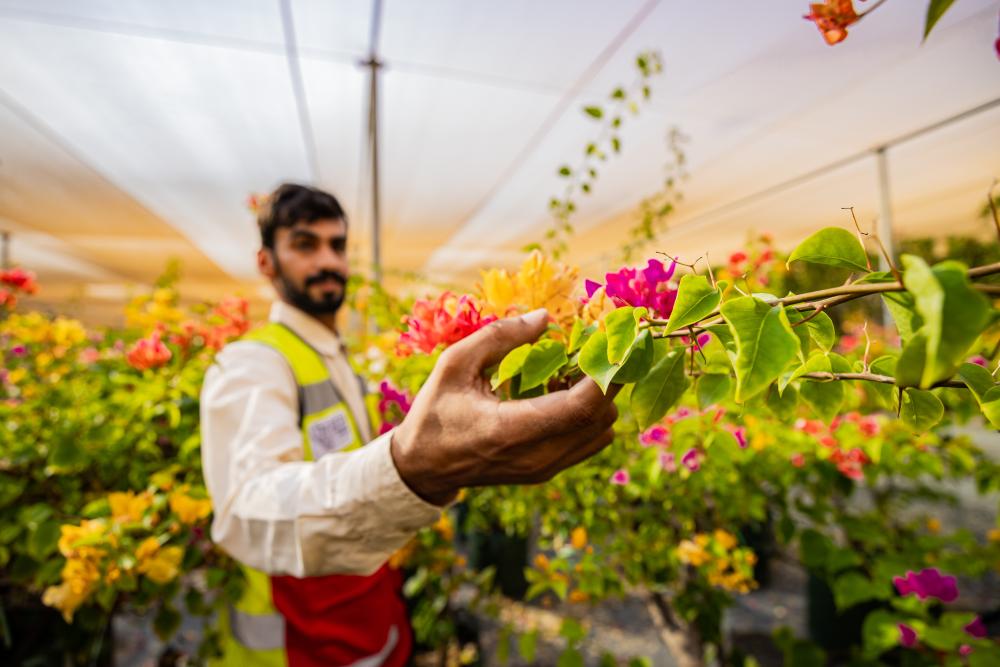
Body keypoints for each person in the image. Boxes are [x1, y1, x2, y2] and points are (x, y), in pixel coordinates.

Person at [200, 183, 618, 667]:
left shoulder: (340, 360)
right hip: (296, 650)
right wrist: (410, 470)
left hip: (373, 630)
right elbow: (246, 510)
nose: (327, 262)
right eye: (304, 244)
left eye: (337, 245)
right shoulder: (253, 363)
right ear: (266, 262)